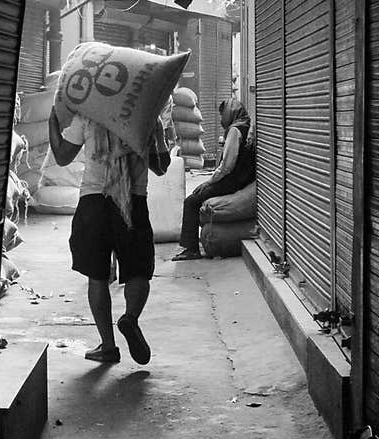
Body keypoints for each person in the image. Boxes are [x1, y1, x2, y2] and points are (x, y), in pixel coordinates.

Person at [48, 104, 171, 365]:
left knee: (97, 275)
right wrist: (158, 132)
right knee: (138, 270)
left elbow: (62, 157)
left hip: (94, 201)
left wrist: (53, 122)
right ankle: (130, 318)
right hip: (133, 202)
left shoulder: (88, 114)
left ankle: (108, 346)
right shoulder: (145, 116)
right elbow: (161, 167)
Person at [172, 97, 256, 261]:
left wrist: (209, 182)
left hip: (231, 181)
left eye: (222, 114)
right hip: (242, 180)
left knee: (191, 201)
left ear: (230, 113)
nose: (221, 119)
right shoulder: (247, 127)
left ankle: (191, 249)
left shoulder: (235, 131)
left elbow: (227, 166)